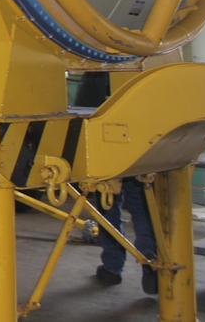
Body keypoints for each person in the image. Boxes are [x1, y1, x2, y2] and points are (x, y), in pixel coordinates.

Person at [75, 72, 157, 293]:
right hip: (139, 151)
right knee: (143, 210)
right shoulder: (141, 69)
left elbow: (80, 114)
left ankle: (112, 268)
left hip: (105, 156)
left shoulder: (94, 73)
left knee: (108, 211)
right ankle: (152, 265)